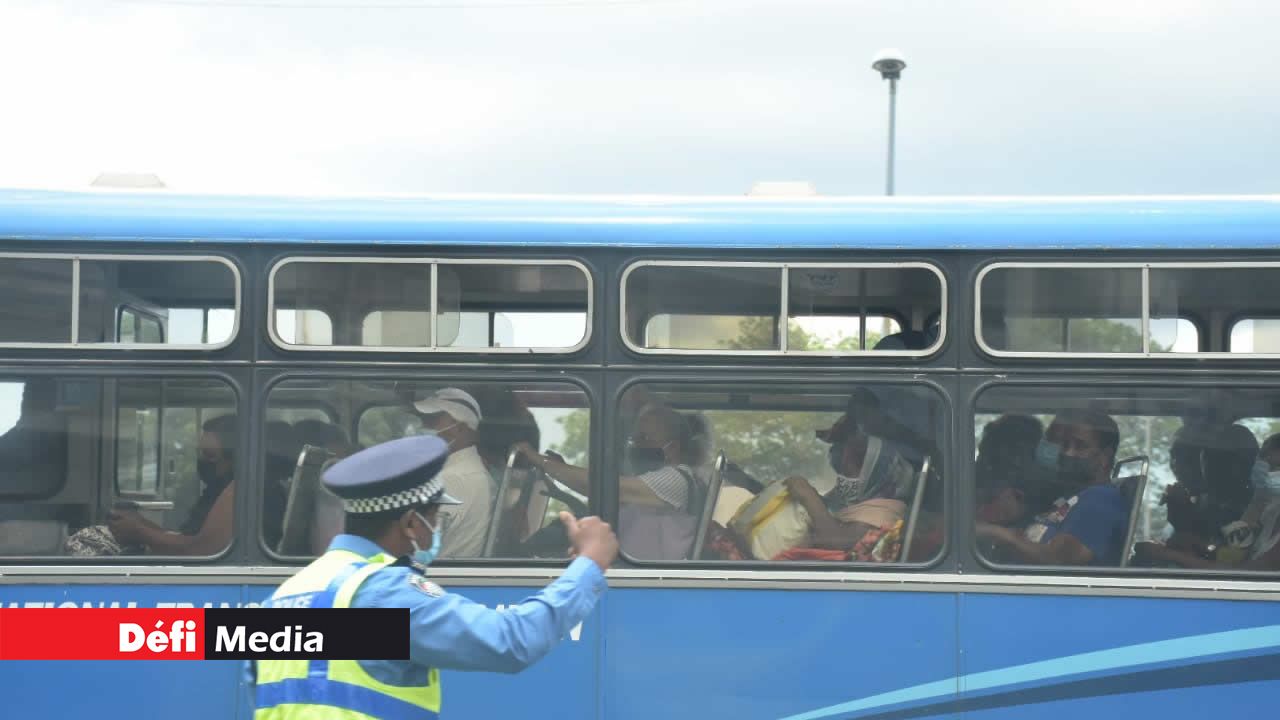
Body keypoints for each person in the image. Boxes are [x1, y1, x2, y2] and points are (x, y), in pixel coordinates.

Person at [247, 435, 618, 718]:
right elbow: (511, 641)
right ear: (411, 523)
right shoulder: (385, 597)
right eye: (435, 519)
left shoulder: (282, 597)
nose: (435, 532)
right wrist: (589, 565)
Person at [516, 403, 710, 560]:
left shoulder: (677, 479)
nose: (636, 445)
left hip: (649, 586)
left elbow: (606, 488)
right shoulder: (650, 482)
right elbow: (604, 496)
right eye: (634, 439)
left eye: (645, 438)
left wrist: (541, 461)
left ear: (672, 448)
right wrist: (561, 472)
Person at [977, 409, 1128, 566]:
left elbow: (1060, 559)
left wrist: (999, 534)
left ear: (1104, 458)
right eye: (1064, 445)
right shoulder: (1069, 498)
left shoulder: (1101, 500)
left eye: (1080, 446)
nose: (1067, 453)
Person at [105, 413, 238, 556]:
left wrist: (139, 531)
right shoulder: (215, 491)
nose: (202, 461)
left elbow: (199, 549)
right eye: (199, 453)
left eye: (210, 455)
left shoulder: (238, 491)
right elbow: (185, 538)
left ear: (234, 457)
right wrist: (138, 523)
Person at [413, 388, 492, 558]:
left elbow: (418, 546)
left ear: (460, 429)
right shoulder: (470, 470)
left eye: (433, 421)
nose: (424, 427)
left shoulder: (454, 479)